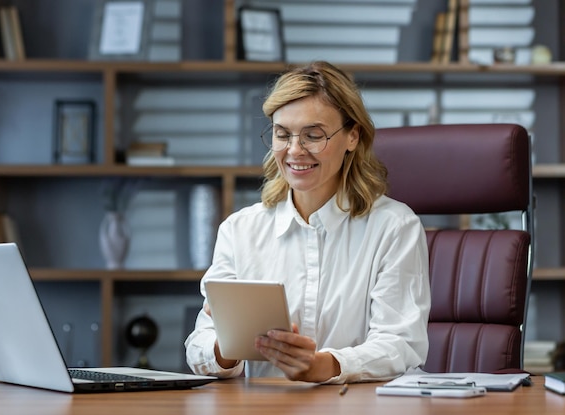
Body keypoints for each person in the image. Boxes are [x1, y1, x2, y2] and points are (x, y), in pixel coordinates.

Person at [184, 61, 430, 385]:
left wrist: (324, 366)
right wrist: (224, 348)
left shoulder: (395, 228)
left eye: (313, 135)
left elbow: (402, 345)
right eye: (282, 134)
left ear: (352, 136)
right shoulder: (239, 230)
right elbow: (198, 345)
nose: (295, 151)